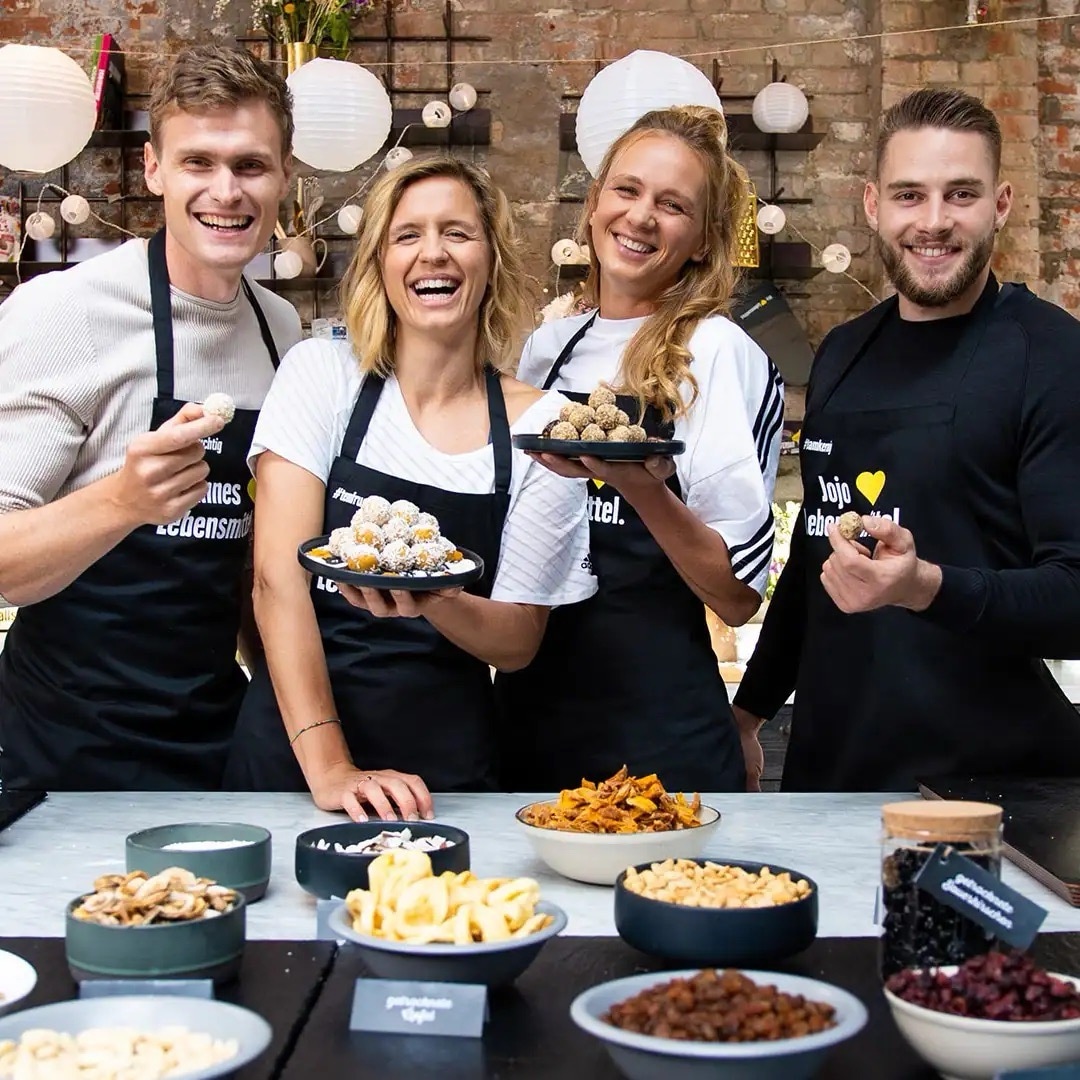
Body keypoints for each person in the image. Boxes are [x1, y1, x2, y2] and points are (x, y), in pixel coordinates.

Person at [223, 157, 595, 821]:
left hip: (443, 777)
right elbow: (276, 584)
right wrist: (333, 767)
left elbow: (517, 643)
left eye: (458, 232)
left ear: (492, 260)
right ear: (379, 264)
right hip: (294, 762)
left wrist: (435, 597)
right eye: (407, 235)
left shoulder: (541, 424)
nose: (433, 253)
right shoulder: (322, 376)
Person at [733, 87, 1080, 792]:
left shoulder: (1050, 353)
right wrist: (747, 713)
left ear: (1001, 204)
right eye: (909, 196)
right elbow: (813, 564)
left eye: (961, 195)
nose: (933, 222)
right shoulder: (841, 352)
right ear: (872, 205)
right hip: (833, 775)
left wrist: (926, 586)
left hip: (996, 791)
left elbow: (1074, 601)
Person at [0, 45, 303, 791]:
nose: (226, 191)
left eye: (251, 166)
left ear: (286, 178)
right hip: (64, 747)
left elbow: (253, 566)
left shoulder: (281, 329)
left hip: (214, 734)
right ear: (154, 171)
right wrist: (121, 502)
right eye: (198, 162)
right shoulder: (64, 312)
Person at [493, 106, 783, 793]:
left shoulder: (713, 352)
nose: (642, 216)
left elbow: (738, 594)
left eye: (673, 204)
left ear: (704, 241)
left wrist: (640, 485)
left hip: (659, 731)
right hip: (528, 719)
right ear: (594, 206)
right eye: (627, 190)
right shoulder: (546, 346)